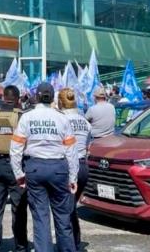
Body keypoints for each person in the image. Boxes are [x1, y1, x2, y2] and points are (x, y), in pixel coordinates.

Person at [10, 82, 78, 252]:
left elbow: (15, 149)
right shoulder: (61, 118)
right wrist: (73, 177)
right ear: (53, 97)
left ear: (37, 97)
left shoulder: (27, 117)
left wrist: (19, 173)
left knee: (40, 219)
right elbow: (71, 151)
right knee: (63, 218)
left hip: (35, 169)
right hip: (58, 169)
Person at [0, 85, 28, 252]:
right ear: (17, 99)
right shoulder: (20, 116)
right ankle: (20, 246)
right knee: (19, 208)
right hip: (15, 166)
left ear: (4, 97)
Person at [58, 88, 92, 251]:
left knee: (64, 209)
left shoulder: (60, 119)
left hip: (68, 166)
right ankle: (75, 242)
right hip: (83, 166)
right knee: (71, 208)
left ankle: (69, 245)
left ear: (59, 102)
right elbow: (87, 146)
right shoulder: (84, 121)